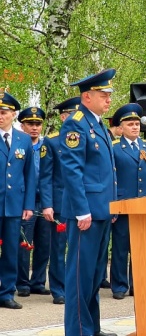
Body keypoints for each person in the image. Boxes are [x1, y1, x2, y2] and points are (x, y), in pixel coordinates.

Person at [59, 69, 118, 335]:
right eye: (103, 95)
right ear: (87, 96)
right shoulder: (76, 123)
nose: (108, 100)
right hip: (86, 214)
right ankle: (79, 330)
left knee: (94, 276)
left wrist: (113, 206)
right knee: (80, 278)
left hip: (102, 211)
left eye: (109, 95)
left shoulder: (98, 123)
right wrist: (82, 210)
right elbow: (72, 170)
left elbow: (107, 172)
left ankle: (91, 327)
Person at [109, 103, 146, 300]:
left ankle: (138, 283)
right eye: (130, 124)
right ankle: (119, 285)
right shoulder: (115, 147)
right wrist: (113, 206)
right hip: (123, 205)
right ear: (121, 127)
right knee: (121, 247)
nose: (134, 127)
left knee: (142, 247)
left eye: (136, 124)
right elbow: (111, 180)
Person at [39, 97, 80, 305]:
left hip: (81, 202)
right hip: (59, 204)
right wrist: (47, 204)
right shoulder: (52, 141)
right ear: (63, 116)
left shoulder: (84, 138)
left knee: (79, 247)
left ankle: (75, 286)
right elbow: (45, 176)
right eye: (71, 114)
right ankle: (58, 289)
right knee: (58, 248)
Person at [0, 91, 36, 311]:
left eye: (4, 112)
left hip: (14, 205)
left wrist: (29, 205)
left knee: (12, 250)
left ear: (13, 114)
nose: (0, 116)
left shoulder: (23, 138)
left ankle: (7, 293)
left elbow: (30, 174)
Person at [16, 107, 50, 299]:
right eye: (30, 124)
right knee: (24, 243)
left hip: (45, 201)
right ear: (22, 125)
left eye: (38, 124)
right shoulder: (19, 145)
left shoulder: (47, 146)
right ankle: (22, 283)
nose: (34, 128)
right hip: (25, 202)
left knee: (44, 243)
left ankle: (38, 281)